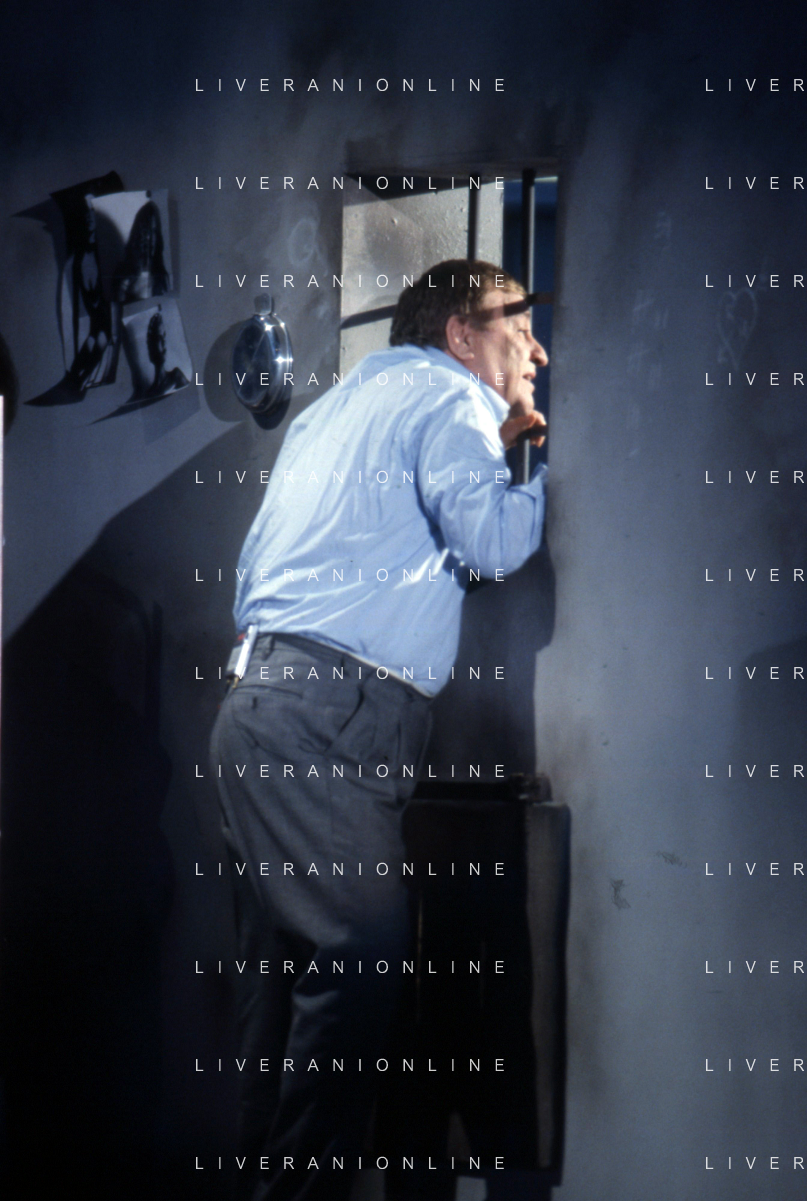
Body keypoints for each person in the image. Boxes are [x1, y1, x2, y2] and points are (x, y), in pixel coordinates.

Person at [209, 259, 548, 1201]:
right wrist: (543, 470)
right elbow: (491, 542)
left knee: (278, 990)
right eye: (519, 329)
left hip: (257, 709)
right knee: (360, 953)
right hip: (333, 718)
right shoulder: (449, 399)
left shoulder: (333, 411)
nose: (537, 353)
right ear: (460, 336)